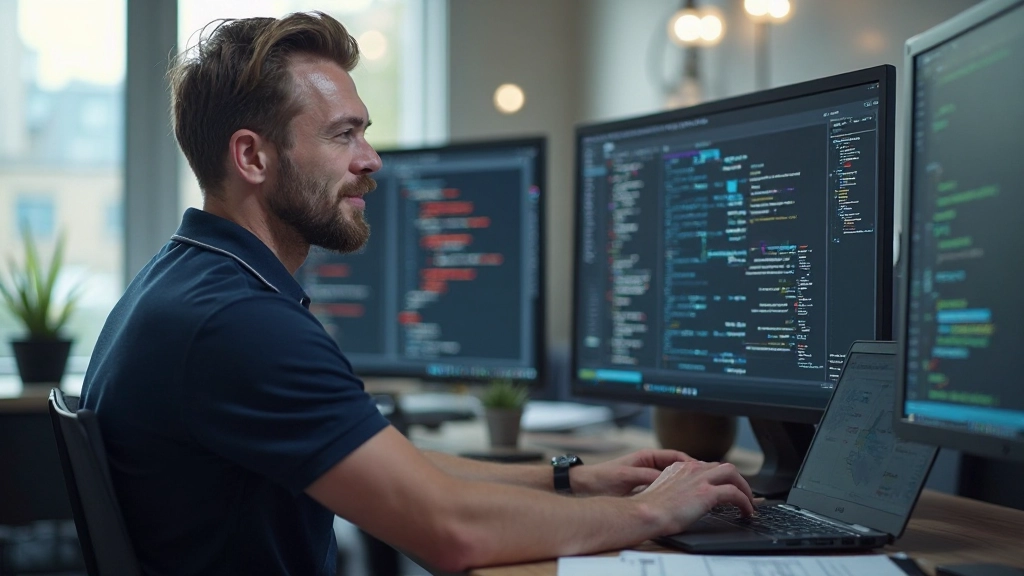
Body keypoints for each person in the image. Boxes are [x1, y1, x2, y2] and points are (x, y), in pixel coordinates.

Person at [80, 11, 756, 575]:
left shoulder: (188, 281)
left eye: (365, 131)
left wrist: (571, 477)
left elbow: (390, 466)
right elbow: (448, 529)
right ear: (252, 157)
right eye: (343, 135)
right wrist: (652, 512)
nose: (372, 160)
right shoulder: (237, 322)